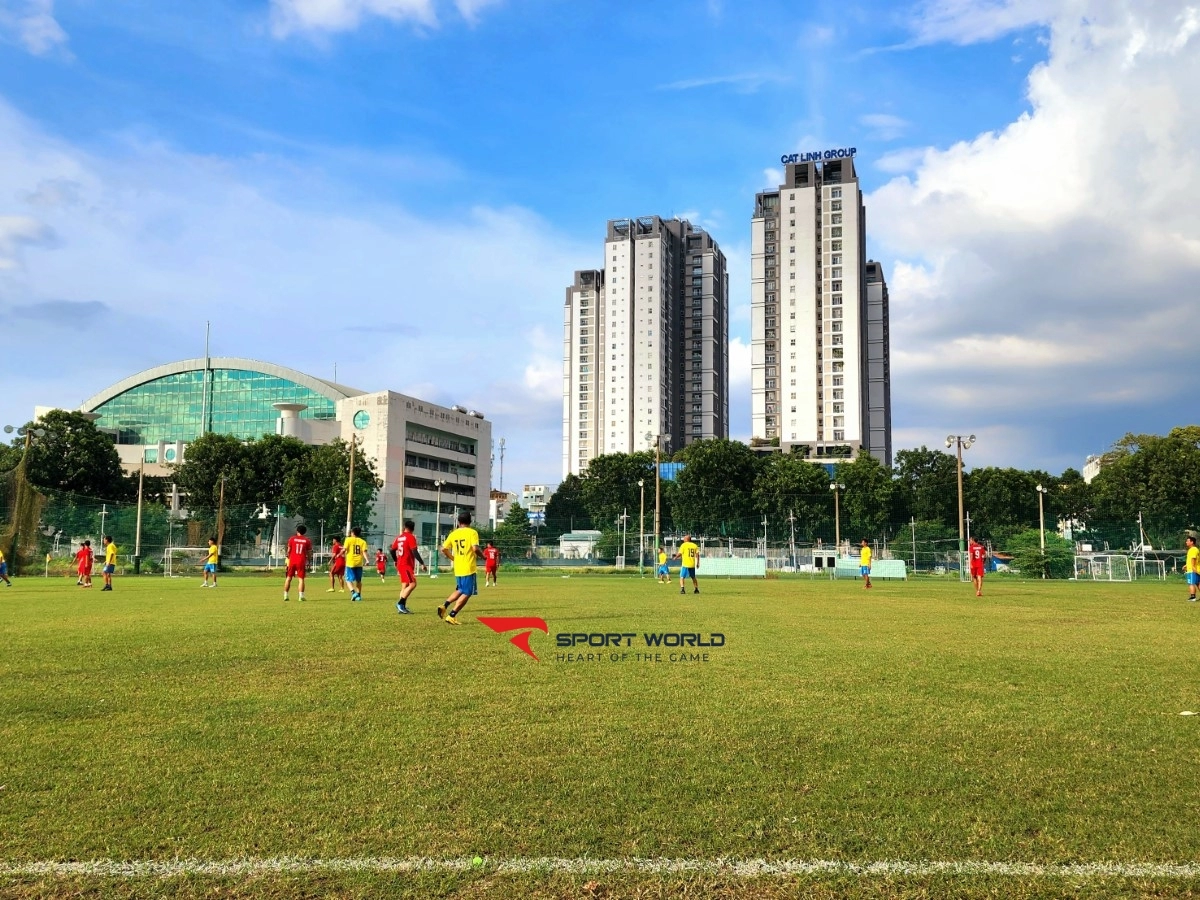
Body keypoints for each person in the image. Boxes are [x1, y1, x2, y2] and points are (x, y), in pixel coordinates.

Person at [438, 511, 481, 625]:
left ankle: (444, 605)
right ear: (470, 522)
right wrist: (484, 557)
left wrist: (453, 558)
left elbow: (443, 549)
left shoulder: (453, 533)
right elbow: (475, 549)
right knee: (468, 592)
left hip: (458, 567)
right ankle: (452, 615)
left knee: (460, 590)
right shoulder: (472, 532)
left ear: (458, 522)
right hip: (468, 567)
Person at [391, 519, 427, 614]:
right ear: (413, 528)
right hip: (406, 564)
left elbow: (392, 550)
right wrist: (422, 563)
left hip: (401, 563)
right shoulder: (410, 537)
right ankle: (400, 604)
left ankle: (401, 607)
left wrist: (395, 560)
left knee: (405, 585)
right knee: (413, 584)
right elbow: (414, 551)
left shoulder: (399, 537)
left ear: (404, 527)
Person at [283, 524, 312, 602]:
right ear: (304, 532)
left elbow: (288, 551)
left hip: (292, 561)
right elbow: (309, 553)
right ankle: (301, 596)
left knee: (288, 578)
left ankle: (285, 595)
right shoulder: (307, 540)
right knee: (301, 579)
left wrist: (287, 559)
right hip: (301, 561)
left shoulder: (292, 539)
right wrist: (309, 561)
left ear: (297, 531)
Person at [343, 526, 369, 602]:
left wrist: (339, 554)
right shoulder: (363, 541)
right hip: (359, 563)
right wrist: (367, 560)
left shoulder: (348, 540)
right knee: (358, 581)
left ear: (353, 533)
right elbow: (364, 552)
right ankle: (359, 595)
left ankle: (353, 593)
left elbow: (344, 549)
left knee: (348, 580)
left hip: (350, 563)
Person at [1186, 534, 1200, 602]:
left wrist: (1193, 568)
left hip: (1192, 570)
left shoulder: (1192, 550)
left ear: (1192, 542)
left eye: (1187, 541)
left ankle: (1193, 597)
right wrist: (1186, 566)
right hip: (1195, 569)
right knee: (1198, 583)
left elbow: (1193, 559)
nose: (1186, 542)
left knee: (1191, 583)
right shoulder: (1195, 549)